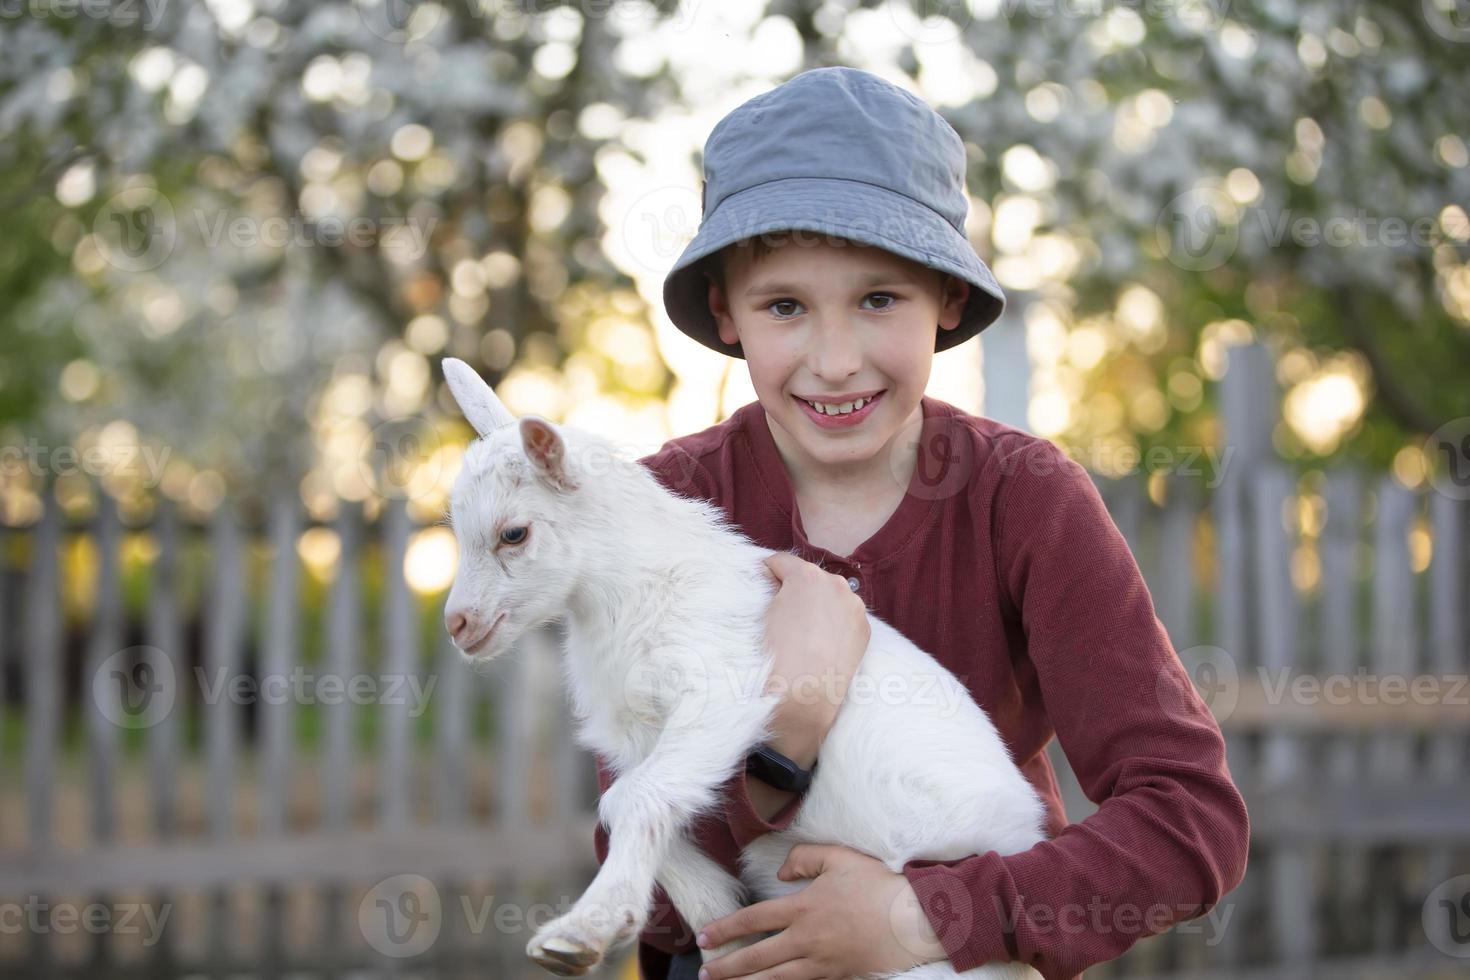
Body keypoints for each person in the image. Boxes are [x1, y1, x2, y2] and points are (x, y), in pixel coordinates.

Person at [591, 65, 1249, 980]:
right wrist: (794, 726)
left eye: (879, 299)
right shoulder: (670, 508)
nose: (834, 360)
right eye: (785, 305)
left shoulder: (1025, 500)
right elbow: (653, 888)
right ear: (724, 311)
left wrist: (920, 916)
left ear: (945, 299)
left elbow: (1191, 824)